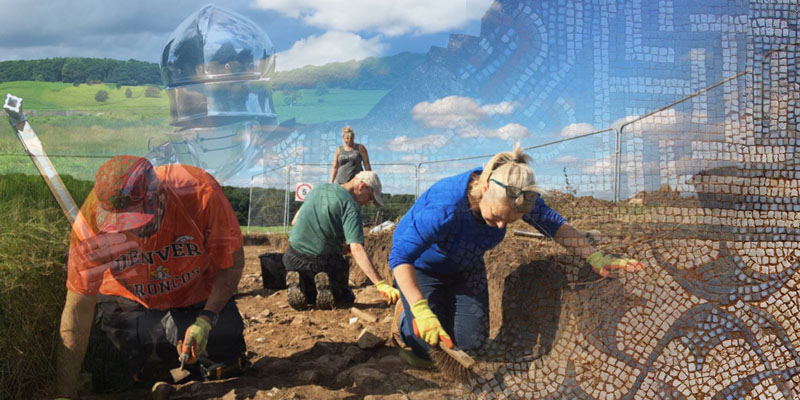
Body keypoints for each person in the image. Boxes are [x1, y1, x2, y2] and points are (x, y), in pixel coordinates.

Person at [388, 144, 643, 365]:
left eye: (509, 221)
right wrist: (420, 309)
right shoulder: (445, 207)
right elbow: (400, 257)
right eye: (497, 216)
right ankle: (403, 315)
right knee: (426, 344)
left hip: (466, 267)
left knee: (471, 344)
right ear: (485, 187)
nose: (501, 226)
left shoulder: (516, 196)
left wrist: (594, 256)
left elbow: (554, 225)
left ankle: (438, 308)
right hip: (423, 267)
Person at [55, 156, 247, 398]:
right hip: (127, 296)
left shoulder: (201, 192)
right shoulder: (89, 221)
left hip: (195, 292)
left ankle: (169, 346)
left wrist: (206, 320)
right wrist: (64, 392)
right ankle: (158, 355)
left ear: (160, 197)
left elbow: (232, 263)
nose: (130, 232)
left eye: (138, 222)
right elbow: (78, 307)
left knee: (224, 366)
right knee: (109, 377)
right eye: (118, 225)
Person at [284, 170, 400, 309]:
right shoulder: (351, 206)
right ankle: (329, 289)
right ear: (362, 186)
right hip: (321, 264)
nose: (369, 203)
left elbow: (295, 221)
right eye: (370, 198)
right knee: (346, 295)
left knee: (309, 286)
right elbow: (356, 249)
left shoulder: (319, 188)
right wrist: (380, 284)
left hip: (291, 258)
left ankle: (300, 282)